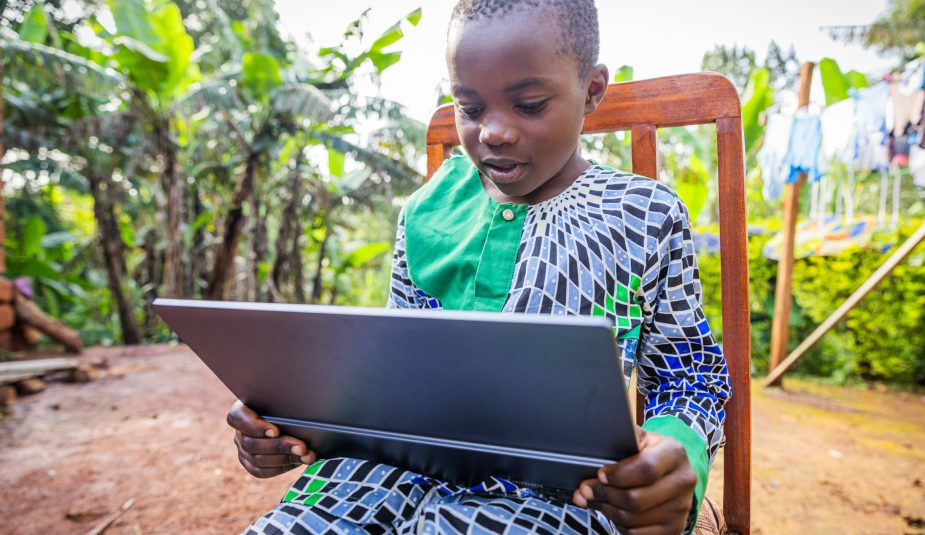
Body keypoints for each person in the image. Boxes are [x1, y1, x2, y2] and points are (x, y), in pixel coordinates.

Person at [228, 1, 731, 533]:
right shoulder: (424, 211)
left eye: (530, 104)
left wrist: (678, 452)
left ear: (592, 90)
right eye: (470, 108)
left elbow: (690, 370)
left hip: (559, 499)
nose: (493, 131)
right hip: (378, 481)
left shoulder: (645, 216)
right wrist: (290, 422)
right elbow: (395, 369)